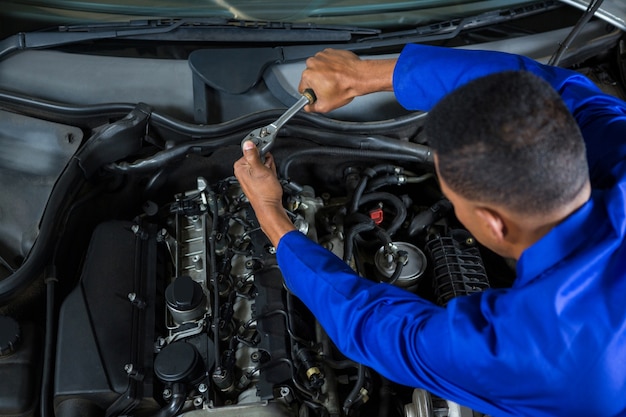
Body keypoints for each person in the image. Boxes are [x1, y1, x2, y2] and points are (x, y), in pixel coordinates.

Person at [233, 44, 626, 416]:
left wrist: (271, 215)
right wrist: (359, 76)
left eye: (454, 200)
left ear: (493, 222)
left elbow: (378, 328)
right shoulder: (615, 142)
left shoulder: (534, 348)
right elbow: (547, 90)